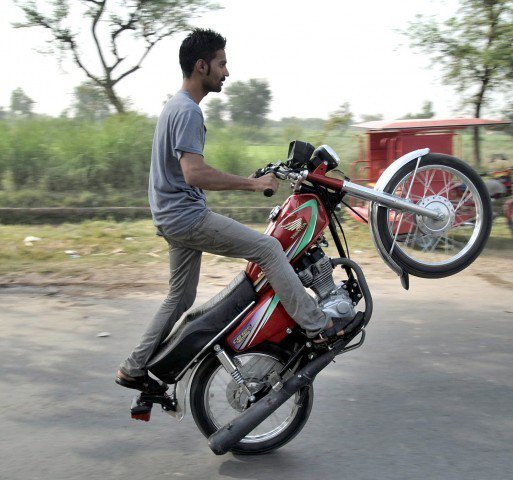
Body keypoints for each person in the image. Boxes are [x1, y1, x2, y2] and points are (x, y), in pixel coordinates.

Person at [116, 29, 356, 394]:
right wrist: (252, 184)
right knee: (269, 249)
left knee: (180, 297)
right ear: (201, 66)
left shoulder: (175, 106)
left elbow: (188, 173)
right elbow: (193, 173)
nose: (226, 72)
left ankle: (133, 368)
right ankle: (316, 324)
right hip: (185, 218)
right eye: (221, 63)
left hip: (171, 216)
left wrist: (252, 179)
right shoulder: (188, 111)